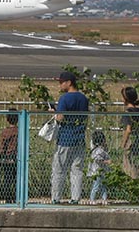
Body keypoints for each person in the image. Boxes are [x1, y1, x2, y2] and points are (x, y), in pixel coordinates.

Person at [50, 70, 89, 205]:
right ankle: (75, 198)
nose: (60, 85)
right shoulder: (84, 98)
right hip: (79, 138)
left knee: (59, 169)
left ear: (69, 83)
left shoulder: (65, 98)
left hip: (65, 137)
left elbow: (60, 117)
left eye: (61, 82)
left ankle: (56, 197)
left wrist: (54, 113)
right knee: (76, 170)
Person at [0, 110, 18, 202]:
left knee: (7, 178)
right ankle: (17, 195)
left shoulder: (5, 132)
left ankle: (7, 197)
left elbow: (2, 146)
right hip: (17, 157)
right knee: (17, 178)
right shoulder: (19, 131)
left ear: (7, 120)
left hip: (7, 157)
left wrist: (0, 157)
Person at [88, 130, 111, 204]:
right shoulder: (98, 150)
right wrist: (106, 161)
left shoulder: (100, 149)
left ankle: (104, 199)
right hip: (97, 171)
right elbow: (97, 160)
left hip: (101, 171)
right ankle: (92, 199)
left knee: (103, 185)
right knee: (96, 186)